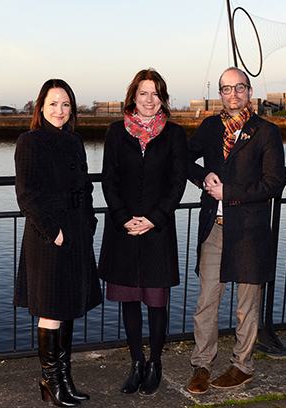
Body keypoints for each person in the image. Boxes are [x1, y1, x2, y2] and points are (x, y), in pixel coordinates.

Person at [185, 67, 285, 394]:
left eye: (239, 87)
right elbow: (184, 158)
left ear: (249, 91)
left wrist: (229, 192)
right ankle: (202, 364)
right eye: (227, 89)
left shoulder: (266, 132)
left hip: (249, 230)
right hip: (214, 229)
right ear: (220, 94)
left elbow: (273, 183)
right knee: (206, 301)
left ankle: (242, 366)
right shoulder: (210, 127)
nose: (233, 94)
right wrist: (202, 177)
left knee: (247, 305)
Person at [97, 69, 187, 396]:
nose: (150, 100)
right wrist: (124, 218)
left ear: (163, 98)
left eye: (156, 94)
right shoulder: (115, 132)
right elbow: (109, 180)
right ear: (133, 96)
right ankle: (136, 363)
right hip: (123, 231)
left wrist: (153, 218)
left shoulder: (174, 134)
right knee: (129, 300)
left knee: (156, 302)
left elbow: (177, 183)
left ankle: (155, 363)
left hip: (157, 230)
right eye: (143, 93)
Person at [13, 79, 103, 407]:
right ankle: (50, 379)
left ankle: (64, 378)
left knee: (68, 309)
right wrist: (54, 232)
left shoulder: (75, 140)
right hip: (48, 238)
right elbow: (27, 195)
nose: (59, 110)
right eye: (53, 104)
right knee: (51, 310)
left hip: (76, 233)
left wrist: (89, 223)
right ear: (40, 107)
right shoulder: (30, 141)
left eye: (65, 104)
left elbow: (85, 187)